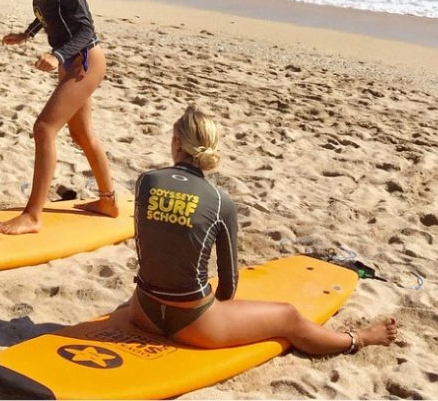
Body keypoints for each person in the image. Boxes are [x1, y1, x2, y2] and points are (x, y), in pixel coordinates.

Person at [128, 104, 399, 356]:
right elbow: (228, 286)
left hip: (141, 311)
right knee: (288, 317)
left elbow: (146, 247)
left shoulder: (146, 182)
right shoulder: (221, 201)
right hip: (193, 325)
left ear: (176, 142)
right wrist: (216, 308)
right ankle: (360, 338)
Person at [0, 0, 117, 234]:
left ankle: (33, 215)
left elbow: (86, 29)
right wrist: (26, 34)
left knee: (44, 128)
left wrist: (57, 54)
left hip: (85, 60)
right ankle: (108, 201)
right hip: (71, 62)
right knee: (81, 135)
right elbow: (48, 12)